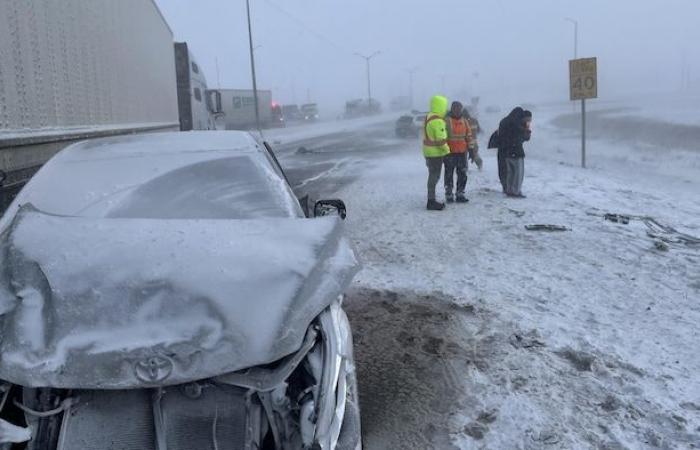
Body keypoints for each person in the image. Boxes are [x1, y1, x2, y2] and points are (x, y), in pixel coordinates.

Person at [422, 95, 451, 210]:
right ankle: (431, 201)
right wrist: (447, 151)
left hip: (428, 152)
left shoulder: (428, 117)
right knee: (434, 176)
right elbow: (441, 139)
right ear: (441, 106)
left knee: (432, 175)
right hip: (435, 154)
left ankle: (431, 199)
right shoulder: (438, 121)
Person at [498, 107, 532, 197]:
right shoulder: (516, 124)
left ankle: (508, 189)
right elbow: (522, 137)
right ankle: (515, 191)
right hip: (516, 151)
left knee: (509, 172)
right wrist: (526, 131)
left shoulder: (505, 121)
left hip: (505, 151)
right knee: (518, 173)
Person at [443, 101, 473, 203]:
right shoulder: (446, 121)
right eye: (455, 108)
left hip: (462, 152)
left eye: (459, 109)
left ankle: (460, 193)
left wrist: (471, 149)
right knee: (449, 174)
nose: (457, 111)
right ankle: (449, 194)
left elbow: (469, 136)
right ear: (452, 109)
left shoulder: (464, 121)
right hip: (449, 152)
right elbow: (442, 136)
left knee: (462, 174)